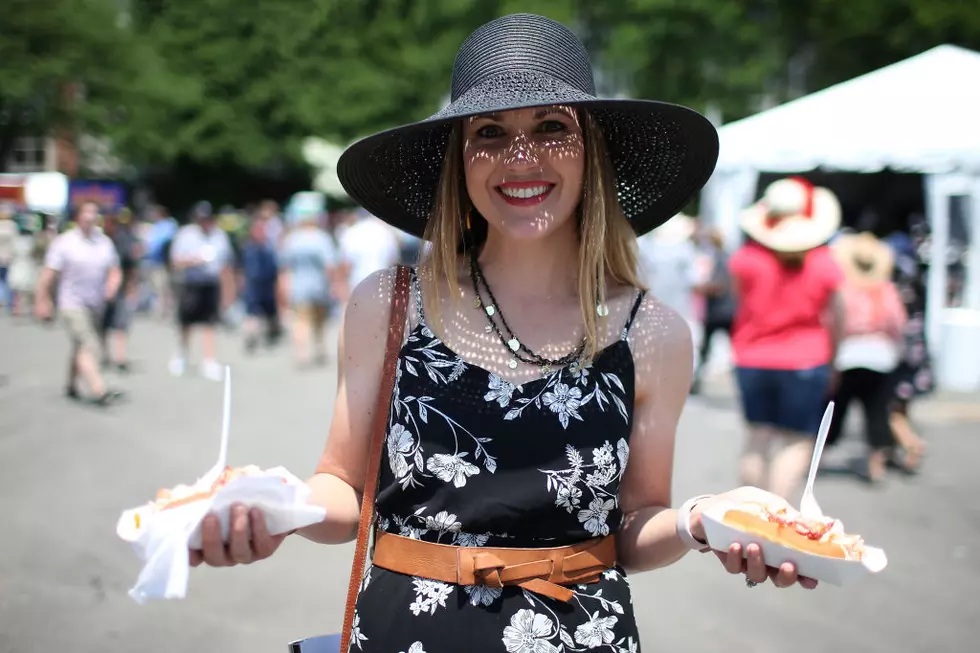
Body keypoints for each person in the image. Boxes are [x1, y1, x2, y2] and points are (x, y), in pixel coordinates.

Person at [190, 14, 817, 653]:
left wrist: (699, 523)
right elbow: (343, 493)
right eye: (490, 133)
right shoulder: (390, 303)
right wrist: (275, 505)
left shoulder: (652, 332)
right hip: (405, 635)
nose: (521, 157)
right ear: (459, 161)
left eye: (552, 127)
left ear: (591, 151)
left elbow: (635, 526)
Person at [729, 177, 845, 500]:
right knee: (795, 441)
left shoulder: (747, 259)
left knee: (757, 438)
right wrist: (835, 361)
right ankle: (777, 515)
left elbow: (739, 302)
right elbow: (837, 317)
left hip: (752, 357)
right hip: (806, 360)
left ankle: (751, 510)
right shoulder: (823, 262)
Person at [826, 232, 908, 482]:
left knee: (834, 409)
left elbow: (834, 323)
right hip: (880, 357)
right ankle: (876, 464)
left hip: (849, 355)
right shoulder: (887, 290)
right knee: (877, 411)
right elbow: (898, 323)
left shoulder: (844, 291)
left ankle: (815, 455)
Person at [35, 201, 122, 405]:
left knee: (79, 345)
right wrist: (43, 301)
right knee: (88, 343)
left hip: (96, 303)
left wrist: (112, 286)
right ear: (78, 217)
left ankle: (71, 384)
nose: (90, 217)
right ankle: (99, 389)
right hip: (71, 302)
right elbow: (48, 275)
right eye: (86, 212)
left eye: (94, 212)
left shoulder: (104, 242)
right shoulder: (64, 243)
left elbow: (114, 270)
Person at [168, 201, 235, 381]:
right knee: (186, 322)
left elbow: (226, 265)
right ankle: (181, 354)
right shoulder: (186, 234)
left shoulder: (219, 235)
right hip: (191, 283)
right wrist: (194, 260)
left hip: (211, 283)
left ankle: (209, 359)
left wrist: (229, 292)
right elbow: (175, 261)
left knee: (210, 323)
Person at [278, 206, 343, 366]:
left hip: (298, 287)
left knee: (300, 320)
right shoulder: (322, 238)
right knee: (319, 320)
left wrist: (283, 287)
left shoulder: (292, 239)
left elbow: (285, 268)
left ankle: (302, 352)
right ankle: (319, 348)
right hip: (319, 287)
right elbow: (330, 266)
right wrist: (335, 284)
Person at [691, 226, 736, 394]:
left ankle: (697, 382)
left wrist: (699, 288)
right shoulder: (723, 257)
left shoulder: (722, 258)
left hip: (720, 311)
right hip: (723, 310)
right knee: (709, 348)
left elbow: (719, 285)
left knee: (707, 348)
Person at [239, 219, 282, 353]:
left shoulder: (269, 249)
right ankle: (251, 338)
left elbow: (276, 269)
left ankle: (272, 335)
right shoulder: (247, 248)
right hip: (253, 286)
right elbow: (240, 269)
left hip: (268, 285)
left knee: (271, 313)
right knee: (252, 313)